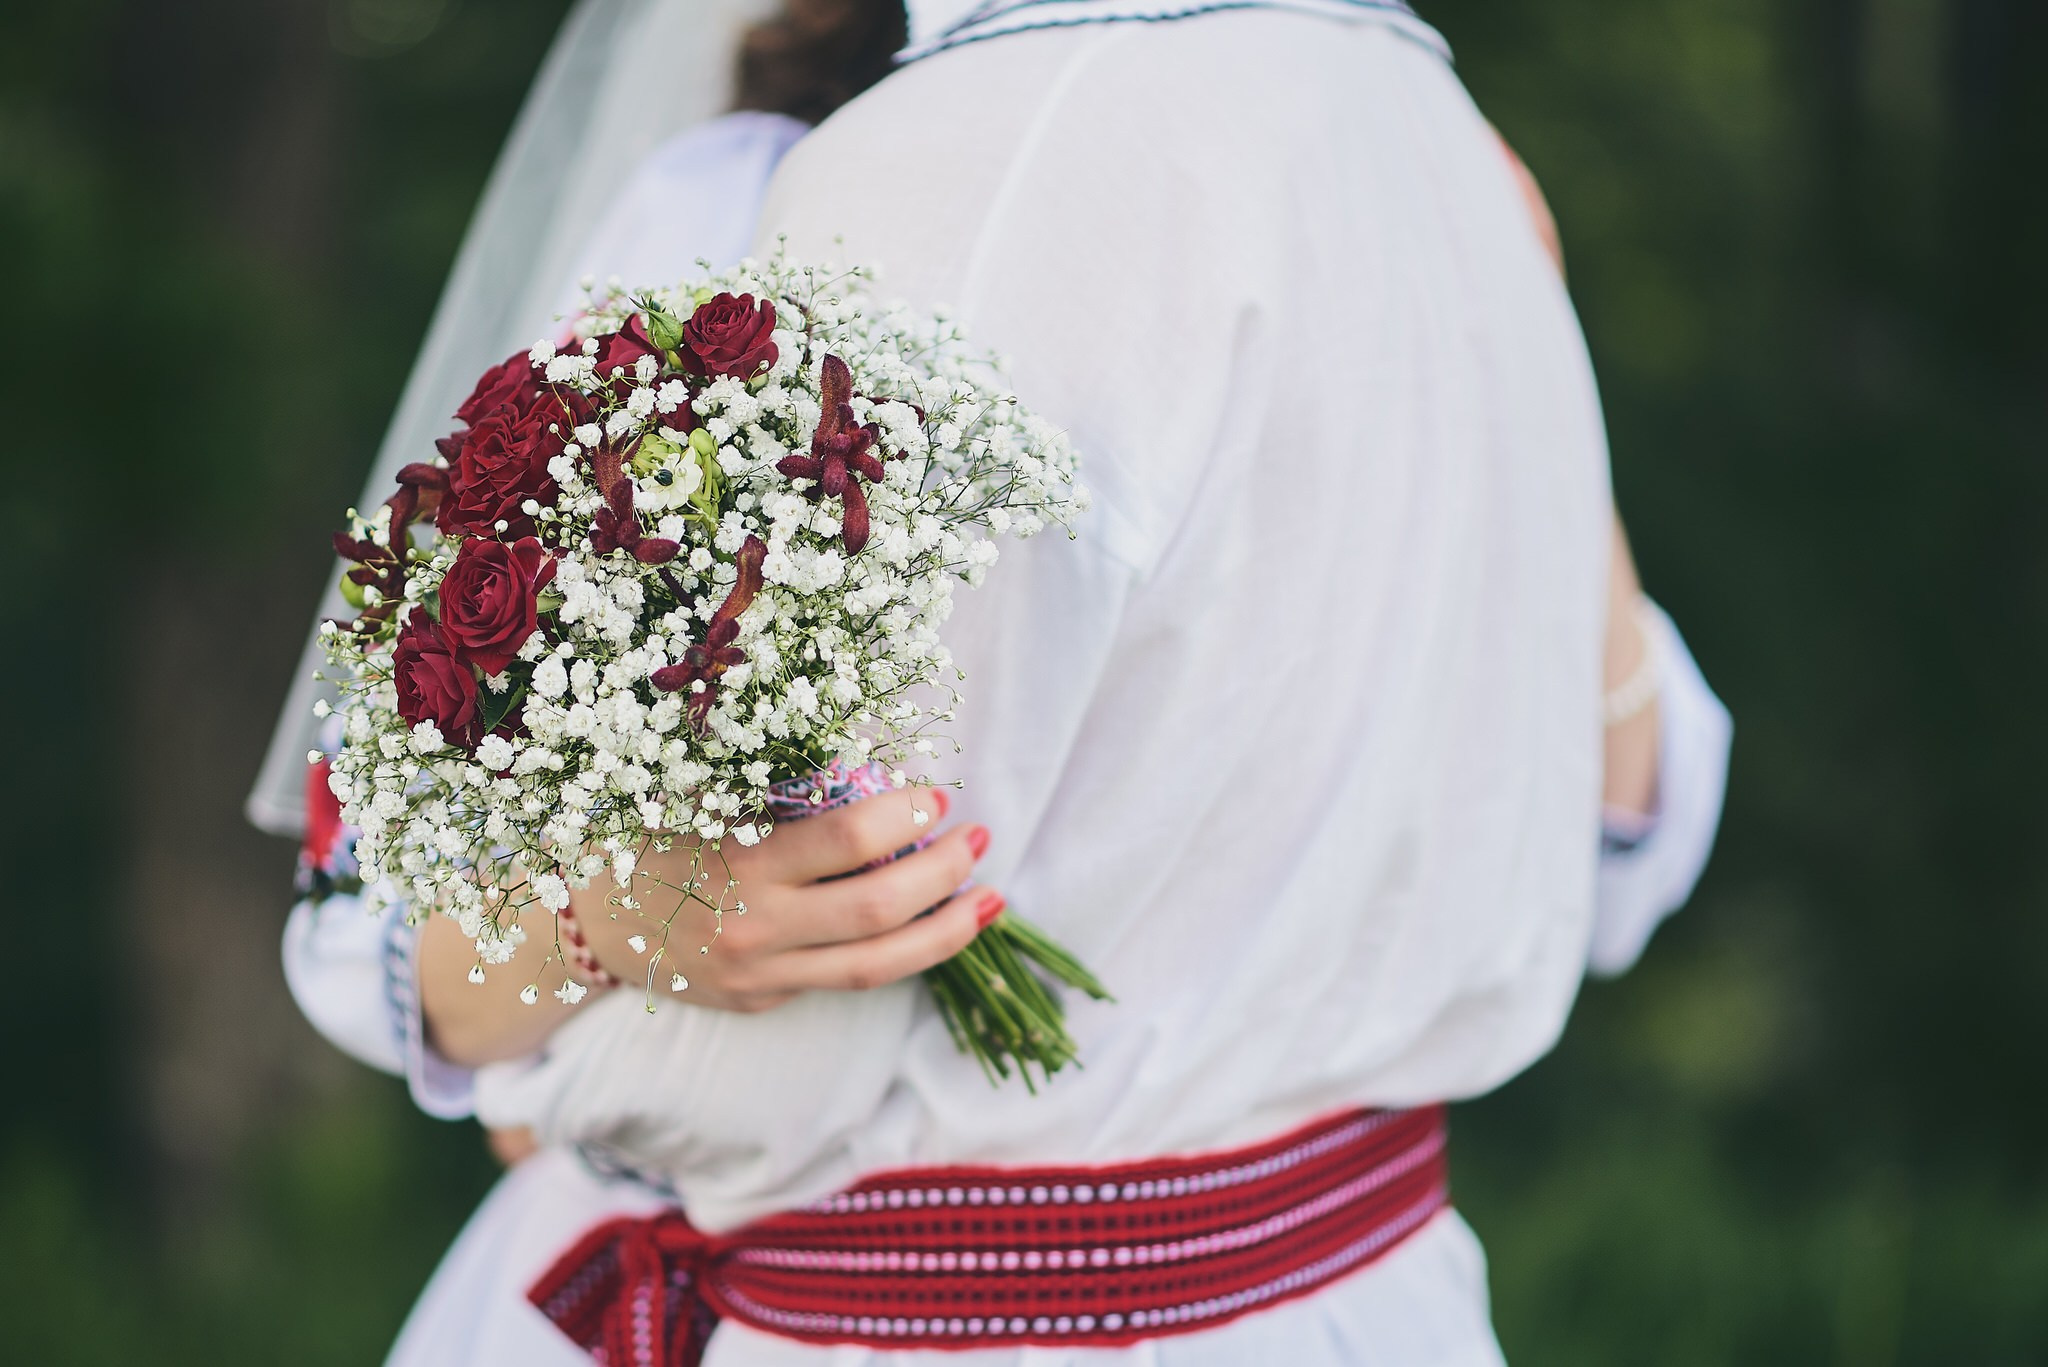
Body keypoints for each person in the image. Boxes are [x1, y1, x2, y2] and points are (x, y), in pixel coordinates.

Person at [266, 2, 1733, 1363]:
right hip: (1364, 1307)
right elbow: (1606, 860)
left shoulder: (972, 172)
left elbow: (734, 1054)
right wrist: (599, 928)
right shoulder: (1418, 137)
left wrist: (562, 1070)